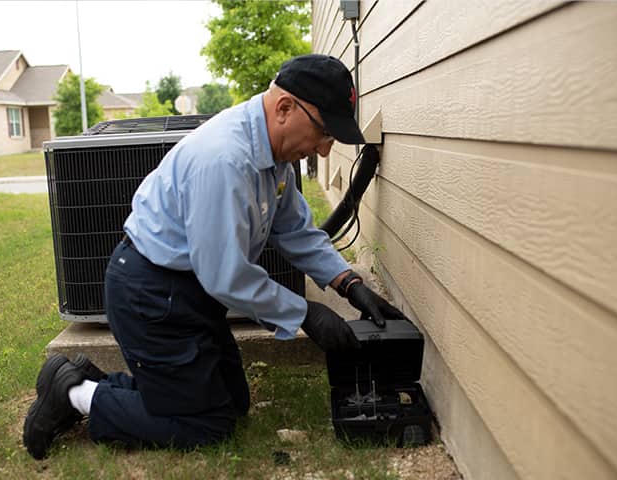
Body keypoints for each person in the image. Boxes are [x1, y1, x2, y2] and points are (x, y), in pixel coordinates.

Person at [23, 54, 406, 460]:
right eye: (324, 132)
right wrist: (305, 314)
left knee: (230, 403)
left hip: (189, 291)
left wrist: (348, 284)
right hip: (151, 295)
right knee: (204, 424)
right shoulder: (225, 160)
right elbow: (226, 276)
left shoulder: (274, 158)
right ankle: (75, 394)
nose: (325, 151)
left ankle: (85, 380)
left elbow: (294, 230)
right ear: (284, 109)